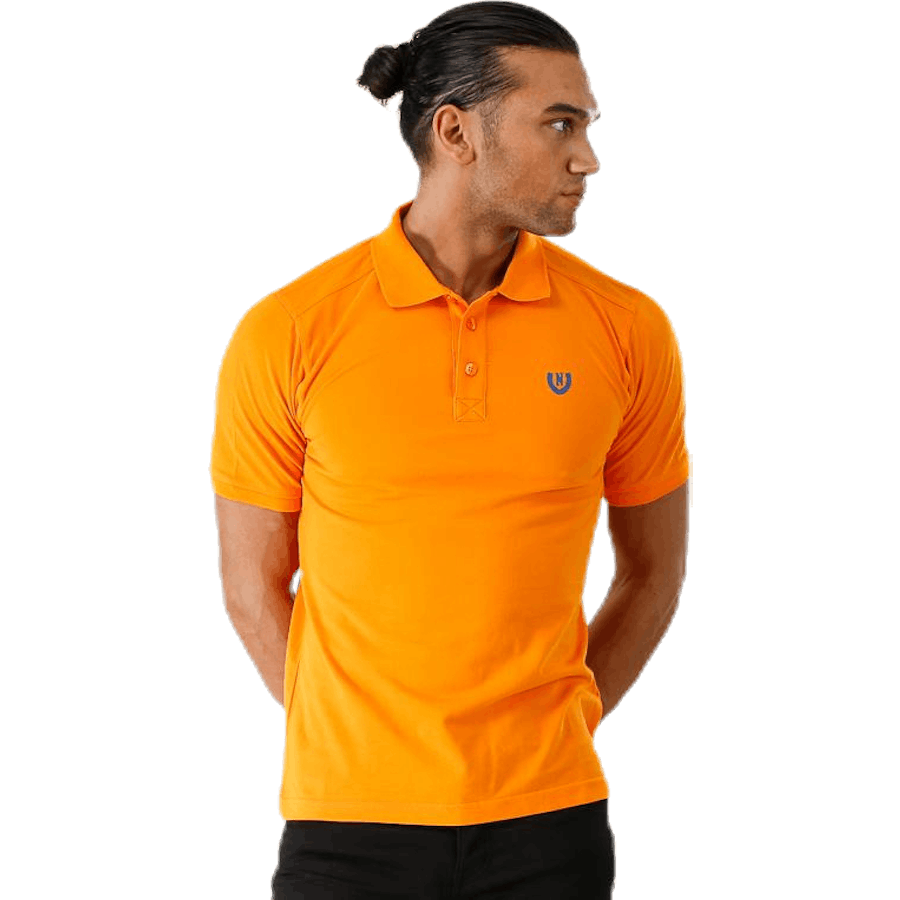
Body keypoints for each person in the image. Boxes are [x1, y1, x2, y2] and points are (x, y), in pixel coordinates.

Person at [210, 2, 691, 897]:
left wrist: (562, 725)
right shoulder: (289, 330)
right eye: (559, 124)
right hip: (347, 827)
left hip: (551, 825)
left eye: (586, 126)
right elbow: (251, 587)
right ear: (456, 132)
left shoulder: (629, 329)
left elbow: (654, 573)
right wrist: (358, 746)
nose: (587, 157)